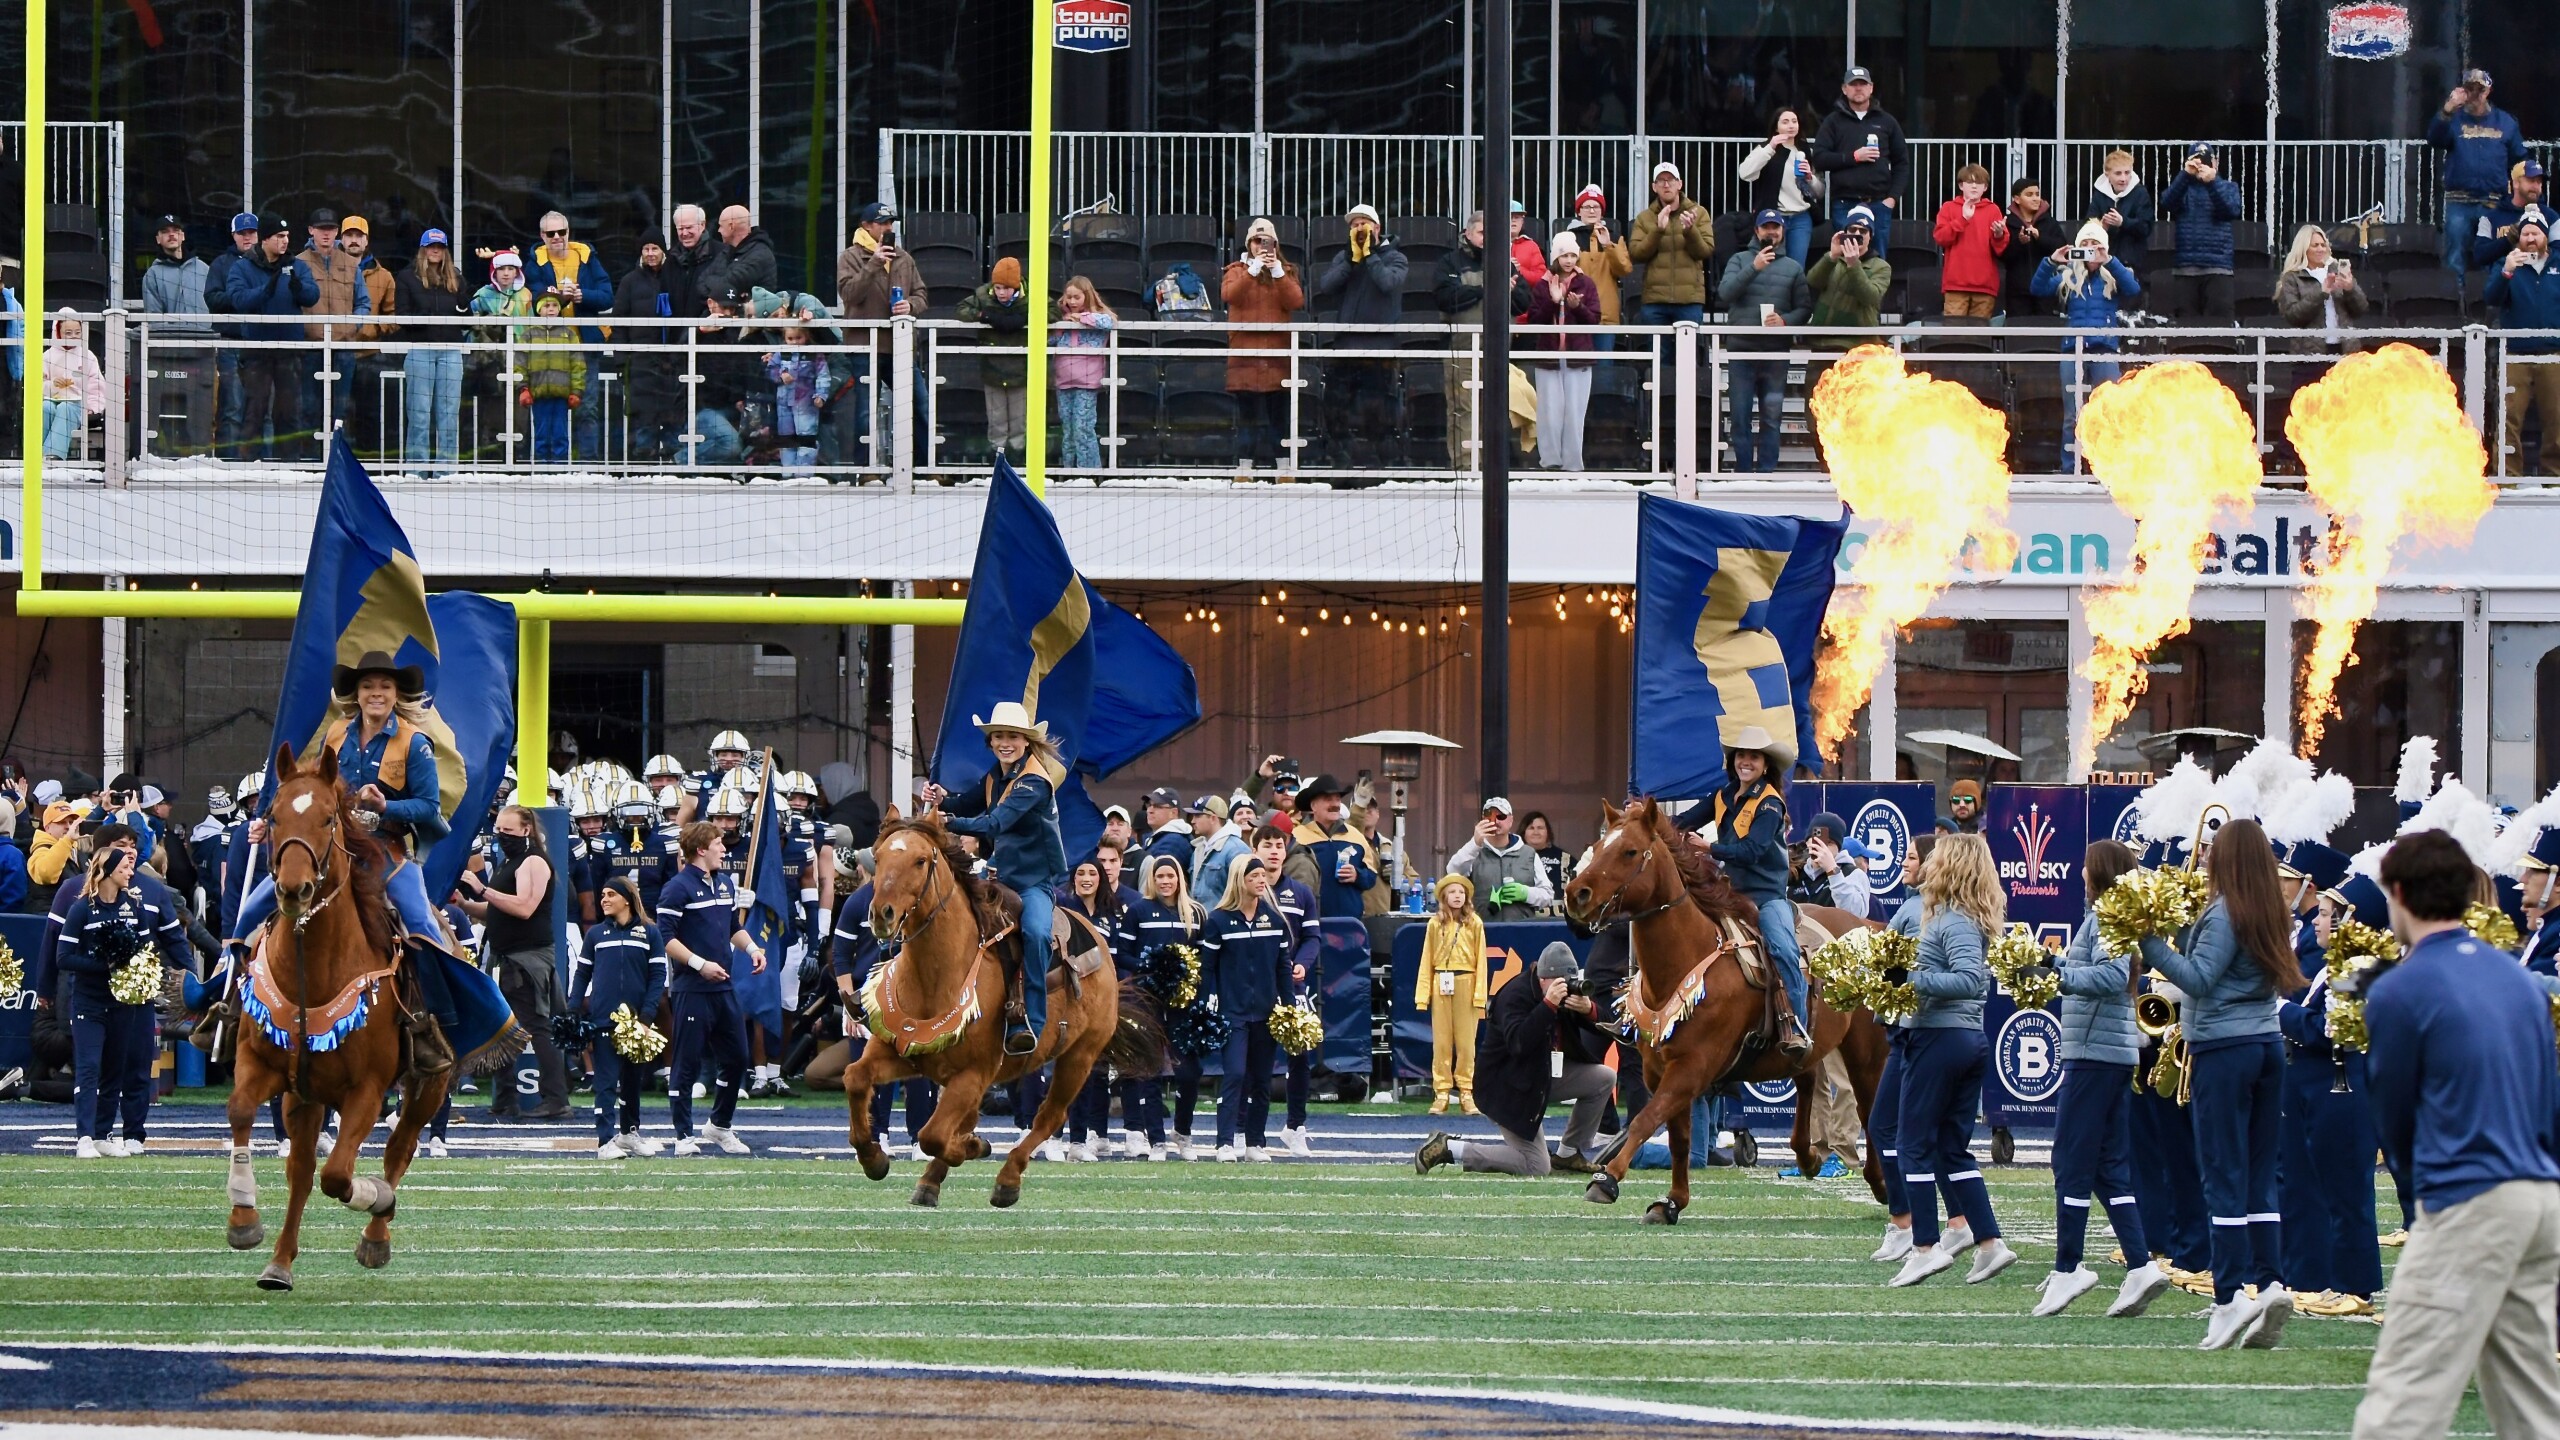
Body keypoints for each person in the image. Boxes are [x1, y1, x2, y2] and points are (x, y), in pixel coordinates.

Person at [2350, 828, 2560, 1439]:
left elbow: (2394, 1115)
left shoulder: (2400, 986)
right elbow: (2544, 1092)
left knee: (2403, 1400)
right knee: (2531, 1404)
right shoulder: (2517, 978)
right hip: (2540, 1194)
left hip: (2471, 1198)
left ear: (2397, 894)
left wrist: (2426, 1198)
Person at [2135, 817, 2302, 1349]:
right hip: (2265, 1045)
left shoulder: (2227, 910)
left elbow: (2201, 979)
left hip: (2225, 1050)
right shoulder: (2266, 906)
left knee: (2222, 1173)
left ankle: (2229, 1296)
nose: (2203, 857)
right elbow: (2222, 965)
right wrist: (2182, 925)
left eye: (2212, 851)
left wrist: (2149, 941)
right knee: (2257, 1173)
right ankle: (2270, 1280)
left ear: (2228, 858)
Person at [2031, 840, 2171, 1316]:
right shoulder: (2109, 917)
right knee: (2109, 1167)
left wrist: (2059, 977)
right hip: (2107, 1053)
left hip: (2094, 1054)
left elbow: (2111, 977)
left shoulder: (2110, 917)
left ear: (2103, 875)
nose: (2080, 877)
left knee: (2070, 1160)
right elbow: (2095, 969)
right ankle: (2140, 1265)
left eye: (2087, 869)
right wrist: (2051, 965)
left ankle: (2069, 1268)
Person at [1884, 833, 2017, 1286]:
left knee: (1913, 1144)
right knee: (1949, 1148)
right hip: (1960, 1038)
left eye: (1936, 858)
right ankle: (1989, 1243)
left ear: (1952, 866)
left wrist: (1914, 979)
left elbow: (1968, 980)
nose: (1927, 865)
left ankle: (1924, 1247)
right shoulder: (1955, 917)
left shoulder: (1952, 920)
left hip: (1941, 1038)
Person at [925, 701, 1066, 1056]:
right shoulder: (995, 775)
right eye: (999, 736)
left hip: (1034, 882)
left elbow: (995, 823)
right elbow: (969, 802)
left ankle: (1032, 1019)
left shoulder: (1034, 781)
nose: (1005, 742)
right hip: (1000, 875)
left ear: (1026, 742)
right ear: (991, 742)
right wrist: (944, 799)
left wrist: (946, 822)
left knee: (1035, 933)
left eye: (1012, 736)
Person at [1415, 941, 1614, 1179]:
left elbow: (1610, 1028)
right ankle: (1448, 1148)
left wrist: (1589, 1009)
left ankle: (1568, 1154)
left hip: (1540, 1076)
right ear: (1543, 979)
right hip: (1508, 1086)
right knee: (1536, 1166)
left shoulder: (1564, 996)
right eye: (1560, 982)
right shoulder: (1514, 995)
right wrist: (1547, 1005)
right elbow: (1519, 1043)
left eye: (1569, 981)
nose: (1566, 988)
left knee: (1604, 1077)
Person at [55, 843, 188, 1158]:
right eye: (124, 869)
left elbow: (145, 950)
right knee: (89, 1068)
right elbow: (63, 957)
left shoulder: (134, 906)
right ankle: (84, 1138)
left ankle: (102, 1134)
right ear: (107, 872)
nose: (131, 873)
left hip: (123, 1003)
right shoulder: (82, 908)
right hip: (89, 1002)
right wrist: (104, 965)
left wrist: (141, 974)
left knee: (115, 1070)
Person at [1690, 725, 1810, 1057]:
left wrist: (1709, 849)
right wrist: (1647, 822)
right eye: (1741, 755)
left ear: (1765, 765)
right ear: (1734, 761)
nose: (1746, 762)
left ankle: (1797, 1026)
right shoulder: (1722, 796)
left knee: (1784, 951)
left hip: (1767, 895)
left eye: (1753, 757)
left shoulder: (1770, 804)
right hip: (1730, 893)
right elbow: (1683, 820)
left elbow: (1754, 850)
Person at [654, 820, 763, 1155]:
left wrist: (753, 948)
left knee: (737, 1058)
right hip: (692, 989)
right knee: (685, 1062)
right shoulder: (676, 888)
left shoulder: (725, 883)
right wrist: (699, 965)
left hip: (724, 988)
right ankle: (683, 1135)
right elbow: (665, 936)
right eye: (718, 843)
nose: (724, 849)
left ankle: (719, 1126)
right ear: (701, 849)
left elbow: (732, 926)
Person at [456, 804, 569, 1120]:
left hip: (526, 959)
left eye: (508, 830)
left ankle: (556, 1097)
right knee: (501, 1027)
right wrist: (466, 903)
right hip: (505, 957)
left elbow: (524, 907)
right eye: (498, 831)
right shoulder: (511, 861)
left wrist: (482, 889)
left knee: (535, 1026)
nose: (502, 836)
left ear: (526, 829)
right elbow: (496, 911)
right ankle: (506, 1097)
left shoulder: (534, 861)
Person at [1198, 854, 1290, 1162]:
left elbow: (1282, 968)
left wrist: (1289, 1007)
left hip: (1265, 1012)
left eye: (1263, 876)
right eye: (1254, 877)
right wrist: (1204, 1004)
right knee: (1235, 1073)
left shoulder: (1275, 921)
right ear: (1241, 880)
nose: (1261, 881)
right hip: (1232, 1012)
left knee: (1262, 1079)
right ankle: (1224, 1142)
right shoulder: (1219, 920)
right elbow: (1207, 968)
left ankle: (1255, 1143)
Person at [2030, 223, 2140, 472]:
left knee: (2106, 412)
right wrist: (2050, 261)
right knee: (2073, 415)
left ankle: (2107, 468)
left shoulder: (2114, 274)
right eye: (2086, 245)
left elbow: (2133, 290)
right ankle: (2070, 468)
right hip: (2073, 350)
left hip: (2105, 350)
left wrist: (2108, 260)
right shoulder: (2068, 276)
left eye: (2095, 245)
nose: (2090, 250)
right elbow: (2037, 289)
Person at [571, 877, 667, 1159]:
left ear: (627, 898)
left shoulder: (650, 933)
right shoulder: (596, 935)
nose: (604, 899)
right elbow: (582, 974)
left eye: (611, 894)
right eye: (602, 894)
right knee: (606, 1081)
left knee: (633, 1082)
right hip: (604, 1019)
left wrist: (647, 1017)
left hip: (638, 1024)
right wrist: (574, 1008)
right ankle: (604, 1141)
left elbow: (658, 976)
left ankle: (629, 1133)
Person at [1713, 209, 1813, 474]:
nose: (1771, 232)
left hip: (1775, 355)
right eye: (1766, 227)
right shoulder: (1739, 259)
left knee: (1772, 418)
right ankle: (1744, 474)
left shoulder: (1793, 267)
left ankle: (1767, 473)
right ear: (1757, 231)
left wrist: (1785, 321)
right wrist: (1753, 267)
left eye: (1776, 227)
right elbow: (1725, 293)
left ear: (1782, 231)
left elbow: (1804, 309)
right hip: (1741, 353)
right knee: (1740, 418)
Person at [1119, 850, 1205, 1156]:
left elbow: (1203, 959)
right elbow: (1122, 953)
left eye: (1170, 876)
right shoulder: (1138, 911)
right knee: (1150, 1070)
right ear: (1152, 880)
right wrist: (1150, 966)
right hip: (1147, 999)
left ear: (1179, 878)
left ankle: (1183, 1132)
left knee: (1189, 1071)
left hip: (1183, 1002)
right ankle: (1156, 1139)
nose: (1165, 881)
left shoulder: (1195, 913)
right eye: (1160, 876)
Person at [1432, 211, 1529, 471]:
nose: (1487, 238)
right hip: (1461, 351)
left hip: (1498, 352)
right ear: (1468, 233)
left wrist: (1507, 289)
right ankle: (1465, 469)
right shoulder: (1450, 262)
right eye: (1482, 232)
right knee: (1464, 409)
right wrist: (1487, 289)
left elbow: (1523, 303)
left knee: (1495, 411)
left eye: (1491, 233)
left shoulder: (1505, 264)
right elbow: (1445, 297)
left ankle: (1493, 470)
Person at [1312, 204, 1405, 475]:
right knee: (1335, 405)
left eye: (1363, 224)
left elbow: (1388, 283)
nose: (1358, 229)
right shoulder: (1344, 257)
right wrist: (1353, 260)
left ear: (1377, 228)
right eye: (1353, 225)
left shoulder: (1396, 257)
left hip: (1380, 346)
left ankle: (1381, 462)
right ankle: (1341, 456)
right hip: (1346, 344)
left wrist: (1371, 255)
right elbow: (1327, 286)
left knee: (1378, 408)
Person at [222, 217, 318, 462]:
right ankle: (247, 464)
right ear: (265, 239)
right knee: (254, 410)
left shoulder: (296, 266)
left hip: (289, 349)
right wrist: (265, 292)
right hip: (257, 350)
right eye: (279, 236)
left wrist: (300, 289)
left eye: (287, 236)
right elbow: (238, 299)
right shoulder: (243, 267)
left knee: (288, 412)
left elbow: (312, 295)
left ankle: (289, 464)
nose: (285, 241)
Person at [835, 200, 926, 459]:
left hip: (900, 345)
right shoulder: (850, 257)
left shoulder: (903, 258)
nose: (887, 227)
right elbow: (850, 294)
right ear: (866, 226)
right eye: (882, 223)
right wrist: (874, 263)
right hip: (865, 346)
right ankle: (865, 469)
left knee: (919, 404)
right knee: (865, 410)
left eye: (890, 223)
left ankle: (924, 466)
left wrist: (910, 305)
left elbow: (922, 294)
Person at [522, 210, 614, 455]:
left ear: (568, 232)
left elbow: (607, 296)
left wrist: (584, 296)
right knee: (546, 410)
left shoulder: (587, 257)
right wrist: (559, 297)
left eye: (561, 232)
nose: (556, 237)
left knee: (588, 408)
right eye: (550, 233)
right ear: (542, 235)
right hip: (548, 348)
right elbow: (536, 300)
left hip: (584, 345)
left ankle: (588, 469)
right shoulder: (534, 264)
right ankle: (546, 469)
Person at [2428, 68, 2527, 281]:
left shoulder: (2506, 122)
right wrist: (2448, 108)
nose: (2475, 94)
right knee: (2454, 258)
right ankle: (2454, 305)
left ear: (2488, 91)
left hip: (2493, 202)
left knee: (2494, 256)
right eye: (2469, 89)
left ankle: (2489, 304)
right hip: (2459, 202)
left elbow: (2519, 159)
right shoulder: (2453, 119)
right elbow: (2434, 139)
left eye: (2479, 90)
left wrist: (2521, 194)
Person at [1223, 219, 1302, 474]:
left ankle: (1283, 469)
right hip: (1245, 357)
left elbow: (1295, 301)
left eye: (1266, 241)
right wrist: (1253, 270)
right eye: (1257, 241)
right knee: (1247, 420)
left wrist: (1278, 273)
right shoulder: (1236, 270)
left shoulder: (1286, 271)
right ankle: (1244, 469)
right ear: (1248, 244)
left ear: (1275, 245)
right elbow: (1230, 295)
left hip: (1276, 359)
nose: (1261, 246)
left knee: (1279, 419)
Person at [2486, 207, 2560, 479]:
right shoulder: (2507, 264)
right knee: (2509, 420)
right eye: (2526, 233)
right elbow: (2491, 298)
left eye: (2536, 233)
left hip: (2554, 354)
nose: (2530, 238)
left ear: (2545, 237)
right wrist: (2506, 271)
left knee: (2557, 421)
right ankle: (2508, 479)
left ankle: (2555, 479)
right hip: (2515, 355)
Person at [139, 214, 217, 455]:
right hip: (167, 351)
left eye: (176, 230)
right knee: (168, 405)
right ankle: (166, 454)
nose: (171, 234)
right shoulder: (152, 274)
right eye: (165, 231)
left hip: (202, 351)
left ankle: (202, 455)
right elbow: (153, 317)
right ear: (158, 239)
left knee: (202, 407)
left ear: (183, 235)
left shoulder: (204, 269)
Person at [394, 229, 469, 472]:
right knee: (419, 415)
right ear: (423, 249)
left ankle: (446, 471)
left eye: (439, 246)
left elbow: (467, 320)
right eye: (430, 246)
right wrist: (432, 317)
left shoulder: (456, 278)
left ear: (445, 250)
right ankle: (417, 470)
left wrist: (462, 310)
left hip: (450, 350)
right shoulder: (407, 277)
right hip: (420, 349)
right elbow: (402, 318)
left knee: (449, 415)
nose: (435, 250)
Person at [1523, 232, 1600, 471]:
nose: (1569, 260)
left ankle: (1573, 464)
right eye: (1564, 255)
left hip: (1578, 356)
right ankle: (1551, 462)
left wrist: (1578, 307)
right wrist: (1553, 301)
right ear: (1556, 256)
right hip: (1549, 356)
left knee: (1575, 413)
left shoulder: (1586, 283)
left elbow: (1594, 321)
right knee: (1549, 413)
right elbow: (1535, 321)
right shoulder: (1544, 284)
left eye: (1573, 255)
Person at [1413, 873, 1487, 1116]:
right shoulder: (1435, 924)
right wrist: (1423, 995)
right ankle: (1441, 1092)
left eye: (1461, 892)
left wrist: (1480, 996)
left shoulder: (1474, 922)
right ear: (1444, 896)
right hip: (1441, 981)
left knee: (1466, 1044)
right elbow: (1426, 960)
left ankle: (1466, 1091)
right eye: (1453, 892)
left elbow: (1482, 961)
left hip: (1466, 980)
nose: (1457, 896)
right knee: (1442, 1043)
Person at [608, 232, 683, 464]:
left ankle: (676, 465)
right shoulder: (630, 281)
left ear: (663, 251)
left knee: (673, 417)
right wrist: (621, 358)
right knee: (643, 419)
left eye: (655, 249)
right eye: (646, 249)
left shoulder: (677, 276)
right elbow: (618, 321)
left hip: (672, 360)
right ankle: (643, 465)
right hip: (640, 360)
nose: (650, 254)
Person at [1811, 66, 1907, 233]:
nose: (1858, 88)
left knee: (1878, 258)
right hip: (1843, 204)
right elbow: (1819, 158)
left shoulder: (1887, 121)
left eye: (1863, 84)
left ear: (1871, 88)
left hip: (1879, 204)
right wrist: (1853, 157)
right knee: (1846, 256)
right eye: (1853, 84)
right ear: (1844, 89)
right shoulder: (1833, 122)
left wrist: (1892, 198)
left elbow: (1902, 163)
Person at [957, 256, 1033, 466]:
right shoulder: (982, 294)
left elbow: (1053, 312)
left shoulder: (1032, 296)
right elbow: (961, 310)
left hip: (1022, 369)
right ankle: (998, 457)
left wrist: (1025, 318)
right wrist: (984, 315)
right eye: (998, 287)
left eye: (1006, 288)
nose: (1001, 292)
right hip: (992, 368)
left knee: (1020, 420)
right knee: (997, 419)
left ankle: (1018, 457)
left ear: (1016, 286)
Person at [1805, 207, 1889, 393]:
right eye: (1852, 230)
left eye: (1863, 231)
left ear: (1870, 236)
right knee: (1814, 407)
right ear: (1845, 233)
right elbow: (1812, 281)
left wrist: (1854, 265)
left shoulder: (1881, 267)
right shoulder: (1833, 260)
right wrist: (1832, 256)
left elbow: (1870, 296)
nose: (1857, 234)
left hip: (1856, 349)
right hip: (1822, 345)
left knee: (1850, 411)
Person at [1628, 161, 1715, 341]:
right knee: (1659, 361)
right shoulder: (1645, 218)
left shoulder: (1699, 213)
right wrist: (1658, 230)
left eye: (1671, 180)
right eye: (1660, 181)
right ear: (1654, 187)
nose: (1666, 185)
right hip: (1655, 302)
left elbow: (1705, 251)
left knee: (1689, 360)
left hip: (1689, 300)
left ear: (1680, 184)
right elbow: (1636, 254)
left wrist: (1690, 231)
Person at [2157, 143, 2245, 322]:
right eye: (2197, 160)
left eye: (2207, 161)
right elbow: (2166, 203)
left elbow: (2231, 211)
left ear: (2216, 162)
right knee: (2186, 330)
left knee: (2220, 327)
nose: (2202, 165)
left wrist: (2212, 183)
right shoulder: (2183, 188)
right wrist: (2184, 175)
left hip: (2218, 267)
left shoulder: (2228, 186)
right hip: (2186, 267)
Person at [205, 213, 261, 454]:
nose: (247, 238)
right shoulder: (221, 264)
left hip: (261, 344)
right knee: (232, 407)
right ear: (233, 236)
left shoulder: (268, 261)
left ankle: (266, 465)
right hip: (229, 343)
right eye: (242, 233)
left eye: (251, 233)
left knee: (262, 409)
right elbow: (212, 298)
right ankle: (229, 464)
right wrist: (244, 297)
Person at [1736, 109, 1822, 265]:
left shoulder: (1804, 150)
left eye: (1794, 121)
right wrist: (1771, 147)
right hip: (1773, 218)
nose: (1791, 125)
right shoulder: (1765, 148)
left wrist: (1811, 178)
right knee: (1771, 265)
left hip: (1801, 217)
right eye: (1785, 121)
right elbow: (1745, 173)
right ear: (1776, 127)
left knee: (1796, 266)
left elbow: (1819, 191)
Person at [1449, 796, 1551, 922]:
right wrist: (1475, 843)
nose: (1495, 821)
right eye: (1489, 816)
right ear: (1482, 820)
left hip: (1521, 931)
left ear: (1511, 821)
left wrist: (1526, 893)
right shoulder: (1473, 852)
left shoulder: (1528, 853)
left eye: (1501, 816)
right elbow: (1452, 872)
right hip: (1482, 931)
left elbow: (1548, 895)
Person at [1049, 276, 1114, 471]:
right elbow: (1049, 342)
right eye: (1069, 297)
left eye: (1077, 297)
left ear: (1087, 296)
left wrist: (1082, 318)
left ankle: (1089, 472)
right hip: (1063, 381)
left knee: (1083, 427)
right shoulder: (1060, 316)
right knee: (1068, 430)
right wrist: (1059, 325)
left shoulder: (1098, 315)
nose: (1072, 302)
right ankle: (1069, 470)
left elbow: (1109, 322)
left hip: (1086, 382)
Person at [2274, 224, 2370, 354]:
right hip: (2309, 354)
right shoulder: (2292, 277)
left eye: (2323, 245)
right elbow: (2293, 316)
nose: (2320, 249)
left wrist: (2350, 289)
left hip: (2344, 351)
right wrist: (2321, 293)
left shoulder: (2336, 269)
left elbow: (2361, 309)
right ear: (2303, 248)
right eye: (2315, 245)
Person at [1934, 164, 2011, 320]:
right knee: (1954, 332)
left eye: (1979, 182)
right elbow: (1940, 237)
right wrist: (1962, 219)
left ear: (1985, 188)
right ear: (1961, 185)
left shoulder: (1993, 210)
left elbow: (2001, 249)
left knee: (1979, 337)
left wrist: (1999, 234)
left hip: (1985, 285)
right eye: (1969, 182)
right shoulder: (1949, 208)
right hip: (1956, 283)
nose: (1974, 186)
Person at [518, 292, 586, 466]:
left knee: (560, 434)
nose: (551, 310)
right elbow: (519, 363)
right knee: (540, 433)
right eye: (546, 306)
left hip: (562, 393)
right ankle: (542, 468)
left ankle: (560, 469)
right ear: (539, 310)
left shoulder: (569, 334)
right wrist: (523, 388)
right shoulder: (529, 335)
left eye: (554, 306)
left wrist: (577, 390)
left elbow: (578, 363)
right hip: (538, 392)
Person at [1564, 185, 1632, 338]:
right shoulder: (1568, 237)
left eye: (1596, 206)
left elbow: (1625, 269)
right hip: (1575, 314)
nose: (1592, 210)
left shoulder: (1615, 237)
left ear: (1602, 211)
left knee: (1604, 362)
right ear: (1578, 211)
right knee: (1578, 362)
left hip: (1605, 316)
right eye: (1587, 206)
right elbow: (1560, 271)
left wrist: (1608, 245)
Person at [38, 311, 105, 461]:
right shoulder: (47, 356)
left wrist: (93, 407)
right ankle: (35, 454)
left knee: (65, 408)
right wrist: (53, 385)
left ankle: (51, 455)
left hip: (78, 403)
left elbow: (97, 386)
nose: (74, 336)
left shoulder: (88, 356)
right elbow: (37, 385)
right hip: (50, 399)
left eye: (77, 332)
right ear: (58, 333)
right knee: (45, 408)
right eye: (68, 333)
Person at [2081, 150, 2155, 284]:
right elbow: (2088, 224)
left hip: (2133, 263)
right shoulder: (2099, 194)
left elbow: (2146, 227)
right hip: (2103, 263)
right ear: (2107, 174)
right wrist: (2101, 227)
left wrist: (2123, 222)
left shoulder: (2140, 193)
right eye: (2118, 173)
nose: (2123, 178)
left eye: (2127, 173)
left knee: (2130, 303)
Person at [763, 326, 829, 473]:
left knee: (807, 436)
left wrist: (821, 395)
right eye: (790, 339)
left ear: (806, 336)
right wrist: (781, 375)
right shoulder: (780, 354)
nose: (794, 343)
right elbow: (770, 370)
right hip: (783, 403)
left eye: (798, 338)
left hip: (806, 402)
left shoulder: (814, 354)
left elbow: (823, 375)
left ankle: (804, 473)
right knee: (786, 437)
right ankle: (788, 471)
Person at [2469, 160, 2547, 271]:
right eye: (2531, 180)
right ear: (2515, 183)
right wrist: (2508, 240)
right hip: (2503, 280)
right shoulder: (2490, 218)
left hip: (2538, 280)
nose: (2536, 186)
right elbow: (2479, 256)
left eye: (2539, 182)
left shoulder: (2551, 217)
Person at [1519, 811, 1570, 904]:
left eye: (1540, 828)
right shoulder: (1514, 857)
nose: (1536, 832)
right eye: (1531, 828)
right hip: (1524, 915)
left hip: (1557, 916)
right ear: (1523, 832)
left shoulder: (1564, 858)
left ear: (1548, 832)